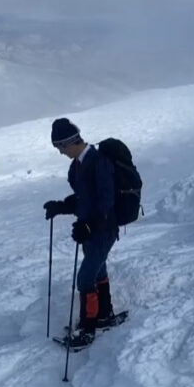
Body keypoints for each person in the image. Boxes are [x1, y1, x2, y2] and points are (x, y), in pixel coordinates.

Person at [44, 118, 119, 348]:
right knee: (97, 271)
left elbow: (107, 202)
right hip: (89, 231)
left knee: (84, 278)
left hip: (103, 230)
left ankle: (87, 331)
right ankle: (104, 315)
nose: (60, 153)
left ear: (69, 143)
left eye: (59, 148)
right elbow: (83, 199)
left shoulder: (99, 162)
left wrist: (90, 225)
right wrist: (61, 206)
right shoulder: (76, 166)